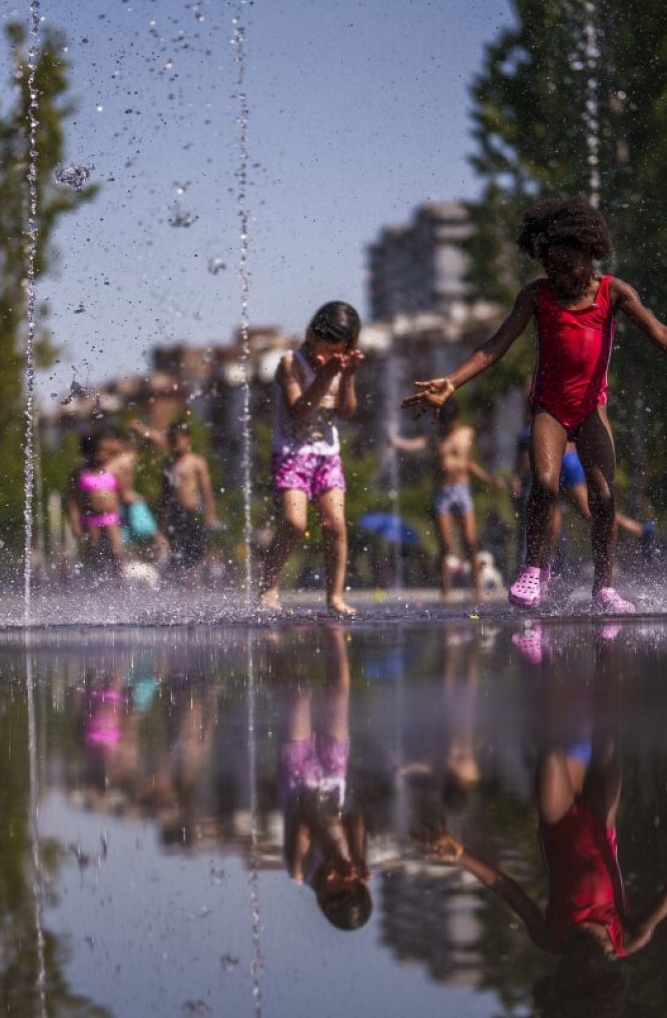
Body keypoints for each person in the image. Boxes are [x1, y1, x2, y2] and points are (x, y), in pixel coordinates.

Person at [403, 197, 667, 613]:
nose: (561, 276)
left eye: (568, 267)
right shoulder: (536, 296)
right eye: (552, 268)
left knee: (602, 495)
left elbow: (659, 330)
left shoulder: (612, 292)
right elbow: (495, 346)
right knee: (544, 484)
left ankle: (604, 588)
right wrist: (451, 382)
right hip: (549, 408)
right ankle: (534, 569)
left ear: (590, 253)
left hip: (591, 410)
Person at [417, 630, 667, 972]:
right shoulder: (628, 939)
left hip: (558, 820)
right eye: (596, 950)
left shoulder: (551, 939)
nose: (595, 944)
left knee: (550, 746)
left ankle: (543, 643)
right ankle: (605, 640)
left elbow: (508, 890)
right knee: (607, 735)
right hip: (601, 819)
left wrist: (462, 857)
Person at [258, 302, 363, 617]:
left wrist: (345, 377)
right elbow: (298, 411)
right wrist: (325, 376)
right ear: (310, 335)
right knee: (294, 522)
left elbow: (346, 412)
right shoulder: (290, 363)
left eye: (336, 352)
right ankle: (269, 587)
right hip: (291, 454)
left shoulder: (339, 367)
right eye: (324, 348)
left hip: (327, 456)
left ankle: (334, 596)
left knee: (335, 525)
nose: (327, 357)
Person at [276, 626, 372, 931]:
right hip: (333, 775)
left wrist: (331, 852)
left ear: (320, 899)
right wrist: (355, 853)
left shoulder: (299, 869)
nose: (332, 875)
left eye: (328, 885)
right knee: (338, 698)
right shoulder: (353, 862)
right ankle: (334, 632)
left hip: (298, 775)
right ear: (357, 882)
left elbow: (305, 820)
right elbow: (355, 815)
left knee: (300, 696)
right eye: (343, 881)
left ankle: (272, 642)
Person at [390, 399, 502, 602]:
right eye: (444, 421)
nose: (446, 425)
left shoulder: (466, 434)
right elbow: (416, 443)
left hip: (462, 490)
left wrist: (487, 478)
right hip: (443, 491)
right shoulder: (436, 438)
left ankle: (477, 589)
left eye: (449, 421)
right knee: (446, 544)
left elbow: (468, 462)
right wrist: (397, 443)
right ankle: (446, 591)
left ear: (455, 419)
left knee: (470, 541)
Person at [160, 421, 218, 583]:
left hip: (193, 512)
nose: (176, 443)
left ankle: (196, 579)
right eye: (172, 440)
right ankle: (182, 582)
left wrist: (210, 513)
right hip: (176, 514)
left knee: (198, 549)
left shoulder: (196, 462)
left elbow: (207, 490)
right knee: (177, 550)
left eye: (179, 439)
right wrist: (162, 520)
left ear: (188, 439)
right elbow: (164, 495)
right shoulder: (168, 464)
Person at [66, 428, 125, 582]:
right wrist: (74, 521)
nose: (101, 455)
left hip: (111, 517)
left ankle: (120, 583)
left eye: (104, 452)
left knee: (117, 551)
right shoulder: (80, 472)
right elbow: (71, 499)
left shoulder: (113, 469)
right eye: (98, 451)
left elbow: (122, 494)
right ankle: (95, 583)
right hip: (91, 518)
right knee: (95, 552)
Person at [105, 425, 170, 563]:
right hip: (119, 508)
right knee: (119, 547)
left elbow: (160, 442)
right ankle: (125, 574)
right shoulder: (109, 462)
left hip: (133, 504)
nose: (109, 445)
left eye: (112, 441)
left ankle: (163, 570)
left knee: (159, 541)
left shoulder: (129, 455)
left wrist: (140, 428)